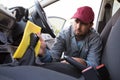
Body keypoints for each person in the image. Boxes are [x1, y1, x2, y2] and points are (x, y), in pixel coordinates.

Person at [38, 6, 103, 78]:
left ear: (90, 25)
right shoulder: (64, 33)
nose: (78, 27)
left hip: (84, 75)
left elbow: (94, 65)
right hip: (66, 71)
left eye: (83, 23)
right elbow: (54, 57)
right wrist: (43, 54)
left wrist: (80, 62)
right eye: (76, 21)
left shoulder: (95, 39)